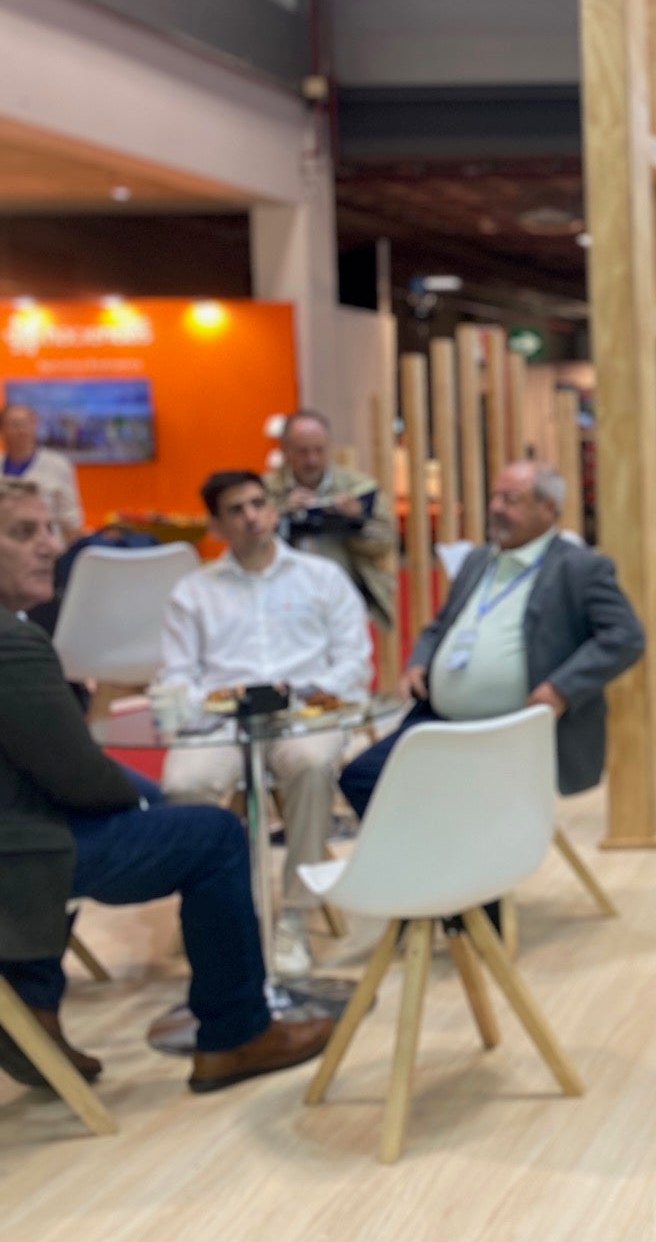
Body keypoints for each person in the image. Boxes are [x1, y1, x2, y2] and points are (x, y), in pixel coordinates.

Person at [0, 479, 333, 1093]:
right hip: (23, 853)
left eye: (49, 528)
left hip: (24, 828)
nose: (50, 546)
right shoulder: (13, 642)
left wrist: (135, 792)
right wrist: (136, 797)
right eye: (24, 533)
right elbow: (75, 774)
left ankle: (32, 1008)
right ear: (217, 524)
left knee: (204, 794)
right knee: (214, 835)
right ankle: (236, 1035)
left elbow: (41, 765)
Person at [339, 461, 645, 820]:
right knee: (359, 778)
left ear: (548, 509)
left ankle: (447, 858)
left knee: (433, 794)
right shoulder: (477, 560)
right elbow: (438, 627)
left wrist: (561, 689)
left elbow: (626, 636)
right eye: (495, 497)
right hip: (440, 721)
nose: (497, 508)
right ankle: (439, 861)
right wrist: (419, 661)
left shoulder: (578, 568)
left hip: (511, 731)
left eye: (511, 500)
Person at [157, 471, 373, 980]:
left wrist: (305, 694)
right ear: (215, 525)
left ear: (274, 510)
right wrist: (220, 702)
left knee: (313, 762)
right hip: (221, 723)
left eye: (259, 504)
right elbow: (177, 677)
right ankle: (229, 913)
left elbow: (354, 663)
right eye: (236, 509)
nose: (252, 516)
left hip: (304, 716)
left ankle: (294, 915)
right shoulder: (193, 592)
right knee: (183, 785)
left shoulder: (321, 578)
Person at [267, 410, 398, 629]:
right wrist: (280, 515)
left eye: (319, 450)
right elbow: (247, 544)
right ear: (285, 450)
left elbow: (386, 542)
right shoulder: (264, 491)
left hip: (344, 595)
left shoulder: (359, 487)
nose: (312, 460)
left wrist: (355, 521)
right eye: (302, 452)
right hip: (282, 599)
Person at [1, 402, 83, 545]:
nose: (21, 430)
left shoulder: (58, 465)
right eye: (14, 424)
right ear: (3, 429)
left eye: (25, 423)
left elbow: (71, 520)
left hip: (45, 552)